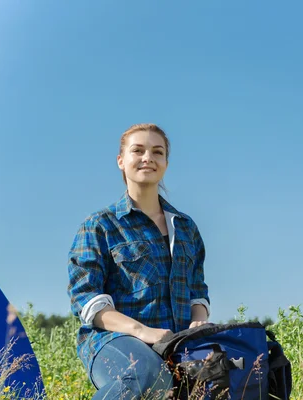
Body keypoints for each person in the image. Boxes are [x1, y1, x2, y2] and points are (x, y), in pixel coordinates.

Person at [67, 123, 211, 400]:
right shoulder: (100, 225)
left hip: (176, 343)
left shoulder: (186, 228)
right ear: (121, 161)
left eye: (157, 152)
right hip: (113, 340)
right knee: (146, 373)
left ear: (166, 163)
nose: (148, 157)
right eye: (138, 150)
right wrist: (143, 332)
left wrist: (198, 323)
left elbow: (197, 290)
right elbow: (86, 301)